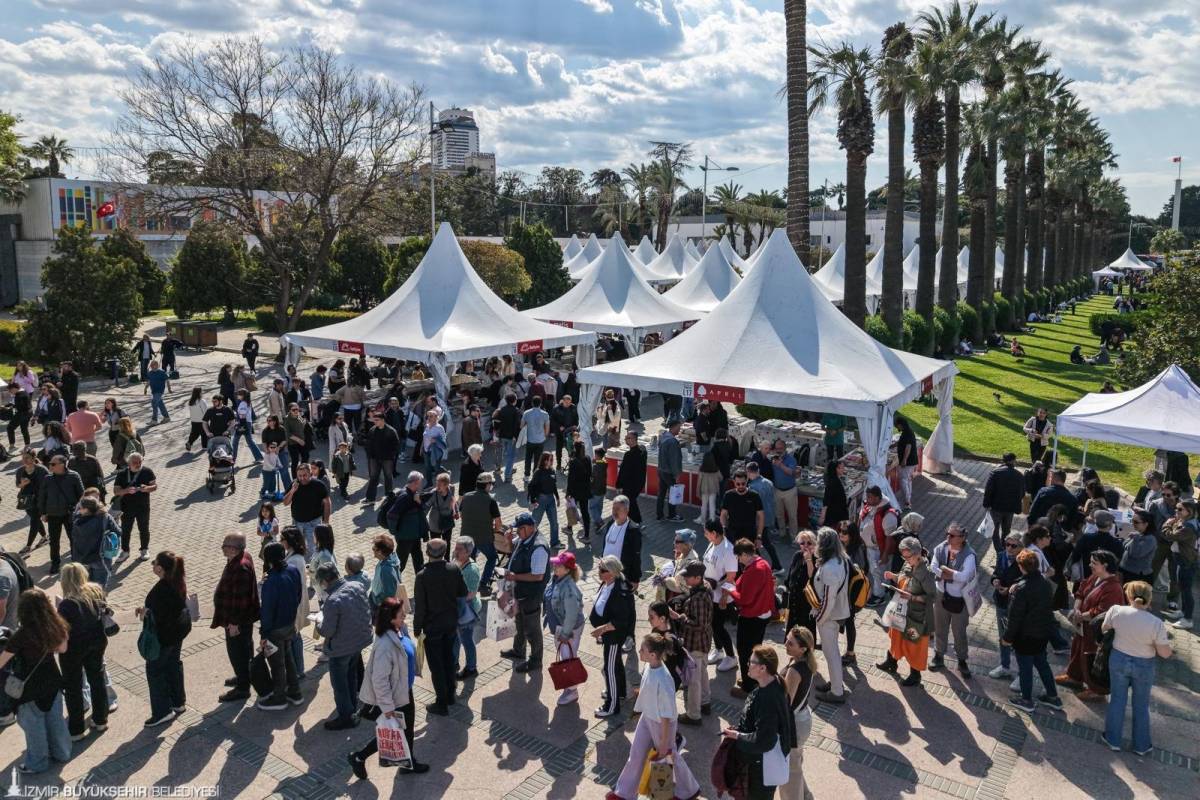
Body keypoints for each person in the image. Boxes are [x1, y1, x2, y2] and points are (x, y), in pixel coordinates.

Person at [607, 633, 703, 800]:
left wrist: (665, 742)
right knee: (636, 754)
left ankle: (685, 792)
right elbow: (647, 690)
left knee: (667, 756)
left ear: (652, 655)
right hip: (648, 718)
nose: (639, 651)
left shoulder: (664, 679)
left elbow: (666, 716)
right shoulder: (651, 666)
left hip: (661, 724)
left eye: (642, 649)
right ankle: (624, 794)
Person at [347, 597, 429, 779]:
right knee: (392, 732)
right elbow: (380, 680)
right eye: (401, 614)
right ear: (391, 619)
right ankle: (359, 757)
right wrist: (388, 708)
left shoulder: (400, 630)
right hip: (394, 697)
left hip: (404, 691)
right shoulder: (385, 645)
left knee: (404, 731)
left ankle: (408, 763)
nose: (405, 616)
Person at [0, 588, 71, 772]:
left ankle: (37, 763)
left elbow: (2, 661)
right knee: (56, 720)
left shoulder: (21, 635)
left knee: (34, 727)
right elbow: (62, 649)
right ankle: (62, 752)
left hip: (28, 687)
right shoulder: (56, 625)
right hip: (53, 680)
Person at [1101, 581, 1172, 754]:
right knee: (1141, 705)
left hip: (1118, 658)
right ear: (1149, 599)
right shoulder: (1156, 623)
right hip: (1144, 664)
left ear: (1129, 595)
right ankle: (1141, 745)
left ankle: (1113, 739)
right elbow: (1165, 653)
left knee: (1117, 699)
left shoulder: (1116, 611)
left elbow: (1104, 629)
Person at [722, 644, 796, 800]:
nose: (747, 665)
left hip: (762, 768)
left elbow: (764, 740)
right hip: (763, 765)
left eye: (751, 662)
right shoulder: (774, 684)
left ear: (763, 668)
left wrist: (738, 736)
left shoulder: (768, 698)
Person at [1002, 548, 1063, 713]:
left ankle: (1026, 699)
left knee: (1025, 668)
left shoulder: (1021, 589)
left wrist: (1007, 637)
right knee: (1042, 664)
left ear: (1022, 567)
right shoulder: (1045, 583)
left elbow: (1015, 617)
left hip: (1025, 636)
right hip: (1042, 633)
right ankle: (1053, 697)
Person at [1058, 549, 1124, 701]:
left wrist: (1081, 616)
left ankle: (1096, 690)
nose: (1090, 565)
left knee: (1091, 657)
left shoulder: (1114, 588)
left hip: (1095, 631)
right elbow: (1081, 590)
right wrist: (1076, 609)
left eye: (1094, 563)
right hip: (1083, 625)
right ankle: (1074, 677)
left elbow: (1102, 612)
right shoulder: (1096, 577)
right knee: (1077, 649)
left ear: (1105, 565)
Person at [314, 563, 373, 729]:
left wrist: (318, 623)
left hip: (341, 648)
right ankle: (352, 707)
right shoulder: (357, 586)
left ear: (325, 580)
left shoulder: (332, 601)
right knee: (351, 675)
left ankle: (346, 717)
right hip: (359, 641)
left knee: (339, 684)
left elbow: (327, 631)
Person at [412, 538, 467, 715]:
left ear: (427, 553)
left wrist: (417, 628)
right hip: (450, 624)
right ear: (445, 552)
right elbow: (463, 592)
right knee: (449, 660)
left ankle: (441, 703)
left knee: (436, 666)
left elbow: (420, 607)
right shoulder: (454, 569)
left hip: (432, 627)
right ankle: (451, 695)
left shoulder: (422, 576)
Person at [56, 564, 110, 742]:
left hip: (73, 649)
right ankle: (101, 719)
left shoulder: (66, 604)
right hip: (97, 642)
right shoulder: (95, 591)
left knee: (73, 687)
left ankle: (76, 729)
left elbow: (62, 631)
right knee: (97, 679)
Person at [138, 552, 191, 726]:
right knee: (173, 665)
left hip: (164, 637)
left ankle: (162, 712)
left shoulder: (161, 589)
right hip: (178, 633)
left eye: (154, 563)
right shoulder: (178, 581)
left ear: (160, 568)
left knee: (155, 671)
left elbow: (158, 615)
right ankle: (178, 702)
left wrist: (145, 612)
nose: (152, 565)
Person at [877, 536, 937, 688]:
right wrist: (893, 577)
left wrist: (914, 597)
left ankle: (915, 675)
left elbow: (932, 597)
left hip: (917, 617)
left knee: (914, 645)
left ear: (918, 554)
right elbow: (903, 579)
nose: (905, 559)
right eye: (903, 556)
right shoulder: (908, 563)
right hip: (901, 611)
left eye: (907, 556)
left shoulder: (927, 573)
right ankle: (891, 662)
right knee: (895, 636)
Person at [211, 533, 260, 704]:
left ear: (233, 548)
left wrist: (233, 623)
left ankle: (242, 687)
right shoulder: (243, 557)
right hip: (242, 619)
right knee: (244, 649)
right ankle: (243, 676)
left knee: (237, 652)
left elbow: (239, 600)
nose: (222, 548)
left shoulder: (240, 566)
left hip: (237, 621)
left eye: (224, 545)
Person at [255, 541, 304, 711]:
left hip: (274, 629)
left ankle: (279, 697)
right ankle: (295, 692)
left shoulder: (271, 581)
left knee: (277, 664)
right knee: (289, 658)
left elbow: (267, 611)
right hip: (289, 623)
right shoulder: (293, 570)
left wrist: (263, 634)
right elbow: (299, 594)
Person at [502, 513, 551, 674]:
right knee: (519, 623)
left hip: (531, 595)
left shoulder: (539, 547)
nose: (517, 532)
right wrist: (509, 541)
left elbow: (538, 575)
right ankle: (519, 650)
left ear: (530, 527)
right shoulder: (524, 538)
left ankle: (535, 660)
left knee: (532, 629)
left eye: (520, 529)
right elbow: (512, 552)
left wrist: (515, 576)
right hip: (519, 592)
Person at [589, 555, 636, 717]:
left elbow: (620, 621)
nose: (599, 572)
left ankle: (611, 704)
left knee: (609, 670)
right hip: (608, 635)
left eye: (603, 570)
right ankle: (620, 692)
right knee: (615, 665)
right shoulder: (608, 583)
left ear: (613, 573)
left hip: (614, 637)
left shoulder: (620, 592)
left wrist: (601, 629)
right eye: (599, 568)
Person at [929, 523, 978, 678]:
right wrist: (951, 575)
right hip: (941, 594)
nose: (947, 537)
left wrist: (947, 573)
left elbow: (965, 576)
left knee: (959, 631)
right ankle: (939, 655)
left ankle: (962, 660)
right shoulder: (941, 547)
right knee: (939, 627)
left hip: (960, 599)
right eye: (947, 533)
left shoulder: (969, 554)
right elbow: (933, 566)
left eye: (952, 535)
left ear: (962, 538)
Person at [730, 538, 776, 698]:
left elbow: (744, 599)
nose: (738, 560)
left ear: (744, 554)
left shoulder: (754, 569)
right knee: (755, 649)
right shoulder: (762, 563)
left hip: (752, 616)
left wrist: (730, 590)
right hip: (763, 614)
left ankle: (748, 687)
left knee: (745, 651)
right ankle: (751, 678)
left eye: (739, 557)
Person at [668, 561, 712, 724]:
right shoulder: (704, 587)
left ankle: (694, 715)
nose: (685, 578)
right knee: (702, 673)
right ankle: (705, 702)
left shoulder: (700, 597)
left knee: (693, 681)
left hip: (695, 643)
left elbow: (699, 625)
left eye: (688, 576)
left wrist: (680, 617)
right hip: (703, 642)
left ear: (698, 577)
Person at [779, 626, 817, 800]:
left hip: (794, 726)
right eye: (787, 639)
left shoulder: (794, 671)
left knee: (787, 772)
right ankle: (806, 796)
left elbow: (786, 704)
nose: (786, 644)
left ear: (802, 649)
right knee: (794, 765)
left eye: (790, 643)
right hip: (802, 720)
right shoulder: (804, 662)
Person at [544, 550, 585, 704]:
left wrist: (565, 633)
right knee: (565, 656)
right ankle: (569, 688)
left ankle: (572, 691)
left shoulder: (569, 589)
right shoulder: (556, 579)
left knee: (568, 659)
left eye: (559, 565)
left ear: (567, 570)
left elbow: (572, 614)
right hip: (559, 627)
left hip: (569, 628)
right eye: (555, 564)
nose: (555, 566)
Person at [702, 519, 739, 673]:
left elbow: (731, 576)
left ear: (714, 533)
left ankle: (731, 657)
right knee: (712, 625)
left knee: (718, 626)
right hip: (710, 593)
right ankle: (718, 650)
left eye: (706, 532)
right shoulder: (713, 544)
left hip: (721, 597)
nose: (704, 535)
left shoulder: (728, 550)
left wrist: (724, 595)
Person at [37, 453, 84, 574]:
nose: (50, 466)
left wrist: (80, 511)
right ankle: (55, 563)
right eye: (50, 464)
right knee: (54, 541)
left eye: (53, 464)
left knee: (74, 539)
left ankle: (76, 563)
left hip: (70, 514)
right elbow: (42, 497)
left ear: (62, 465)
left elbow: (82, 495)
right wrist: (43, 512)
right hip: (53, 514)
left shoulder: (74, 476)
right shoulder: (48, 479)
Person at [987, 533, 1025, 680]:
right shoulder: (1002, 555)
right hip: (1001, 602)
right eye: (1007, 544)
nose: (1009, 548)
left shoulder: (1024, 560)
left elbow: (1024, 579)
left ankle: (1022, 675)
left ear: (1021, 547)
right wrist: (995, 580)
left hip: (1016, 606)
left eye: (1013, 545)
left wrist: (1009, 589)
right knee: (1003, 636)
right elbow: (996, 572)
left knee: (1018, 639)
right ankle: (1005, 666)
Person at [859, 485, 899, 605]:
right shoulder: (873, 506)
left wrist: (885, 555)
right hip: (870, 547)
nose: (867, 499)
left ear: (877, 498)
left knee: (877, 573)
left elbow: (890, 537)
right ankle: (883, 589)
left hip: (878, 550)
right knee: (876, 572)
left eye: (870, 497)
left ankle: (878, 596)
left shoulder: (888, 515)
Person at [113, 452, 157, 561]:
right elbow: (116, 491)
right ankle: (125, 551)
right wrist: (126, 490)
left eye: (140, 462)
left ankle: (144, 549)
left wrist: (146, 488)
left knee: (144, 528)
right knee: (126, 530)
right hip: (127, 507)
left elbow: (154, 486)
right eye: (135, 462)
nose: (138, 464)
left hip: (143, 506)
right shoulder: (122, 474)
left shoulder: (147, 471)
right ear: (129, 463)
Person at [69, 496, 120, 588]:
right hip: (100, 559)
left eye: (80, 507)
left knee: (84, 589)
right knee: (98, 590)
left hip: (81, 560)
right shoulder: (105, 517)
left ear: (86, 509)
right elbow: (118, 532)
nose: (78, 509)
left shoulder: (76, 519)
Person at [597, 495, 643, 590]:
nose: (614, 511)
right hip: (606, 572)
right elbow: (606, 546)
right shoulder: (610, 524)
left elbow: (636, 556)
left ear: (626, 510)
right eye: (613, 508)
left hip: (621, 575)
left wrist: (635, 579)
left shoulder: (633, 530)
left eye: (618, 509)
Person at [838, 522, 869, 664]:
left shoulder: (858, 548)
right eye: (840, 531)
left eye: (844, 532)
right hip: (843, 588)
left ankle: (850, 653)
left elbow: (860, 570)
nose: (841, 534)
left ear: (852, 534)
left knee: (849, 621)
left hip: (853, 591)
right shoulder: (842, 545)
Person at [283, 463, 330, 555]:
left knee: (313, 547)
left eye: (305, 475)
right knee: (297, 545)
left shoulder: (319, 485)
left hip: (313, 522)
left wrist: (326, 522)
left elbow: (327, 503)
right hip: (297, 522)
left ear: (310, 474)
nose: (302, 478)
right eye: (299, 476)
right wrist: (292, 491)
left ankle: (313, 565)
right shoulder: (294, 484)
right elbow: (285, 503)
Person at [983, 453, 1024, 553]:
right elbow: (1022, 493)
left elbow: (988, 490)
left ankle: (999, 550)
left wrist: (986, 504)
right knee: (1006, 531)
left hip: (996, 507)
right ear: (1014, 461)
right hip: (1010, 509)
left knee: (994, 531)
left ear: (1003, 460)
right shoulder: (1019, 475)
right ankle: (1005, 548)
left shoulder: (995, 472)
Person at [784, 530, 819, 646]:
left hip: (806, 602)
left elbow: (812, 577)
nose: (805, 546)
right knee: (791, 633)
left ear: (814, 544)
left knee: (805, 635)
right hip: (794, 599)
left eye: (809, 543)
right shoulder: (797, 555)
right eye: (802, 543)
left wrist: (809, 559)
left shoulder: (816, 558)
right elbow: (790, 576)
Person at [745, 462, 783, 570]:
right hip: (769, 516)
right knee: (763, 542)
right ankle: (770, 565)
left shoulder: (752, 487)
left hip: (758, 520)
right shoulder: (769, 482)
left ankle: (770, 566)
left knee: (760, 542)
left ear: (749, 472)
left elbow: (753, 508)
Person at [15, 449, 48, 554]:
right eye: (23, 458)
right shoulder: (20, 471)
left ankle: (28, 546)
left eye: (27, 458)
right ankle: (44, 537)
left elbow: (48, 484)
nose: (24, 460)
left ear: (34, 458)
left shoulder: (42, 470)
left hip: (40, 500)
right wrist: (23, 484)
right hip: (26, 500)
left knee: (34, 520)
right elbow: (17, 485)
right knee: (36, 520)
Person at [363, 411, 401, 503]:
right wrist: (370, 455)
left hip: (387, 459)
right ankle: (370, 498)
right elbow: (368, 444)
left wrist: (391, 456)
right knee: (373, 477)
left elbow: (396, 446)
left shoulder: (391, 431)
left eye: (377, 420)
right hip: (374, 458)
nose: (374, 422)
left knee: (388, 477)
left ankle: (389, 496)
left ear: (383, 420)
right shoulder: (372, 430)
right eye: (374, 420)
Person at [722, 468, 764, 547]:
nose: (741, 486)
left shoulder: (754, 496)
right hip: (732, 535)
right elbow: (723, 514)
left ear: (747, 481)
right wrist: (724, 528)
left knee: (749, 558)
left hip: (750, 535)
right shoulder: (728, 495)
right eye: (738, 484)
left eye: (743, 483)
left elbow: (761, 517)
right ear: (734, 482)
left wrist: (759, 536)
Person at [615, 430, 647, 524]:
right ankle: (633, 521)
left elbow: (623, 472)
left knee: (630, 503)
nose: (625, 440)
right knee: (631, 502)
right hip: (639, 482)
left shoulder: (629, 455)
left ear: (634, 439)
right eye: (625, 438)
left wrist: (618, 485)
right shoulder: (643, 450)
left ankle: (636, 522)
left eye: (628, 438)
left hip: (630, 485)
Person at [771, 440, 800, 540]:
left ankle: (794, 537)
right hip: (777, 490)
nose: (778, 451)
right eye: (777, 449)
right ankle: (782, 533)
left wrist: (780, 465)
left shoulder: (791, 459)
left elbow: (791, 472)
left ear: (785, 448)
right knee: (779, 515)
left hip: (790, 491)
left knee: (792, 516)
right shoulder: (773, 459)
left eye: (780, 449)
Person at [368, 533, 403, 613]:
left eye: (374, 548)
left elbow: (389, 594)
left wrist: (377, 600)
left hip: (379, 604)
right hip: (375, 596)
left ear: (380, 552)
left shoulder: (386, 570)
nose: (373, 549)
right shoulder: (388, 558)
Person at [1119, 510, 1157, 583]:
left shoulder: (1150, 539)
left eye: (1136, 522)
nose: (1133, 524)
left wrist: (1135, 539)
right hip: (1125, 571)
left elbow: (1135, 554)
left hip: (1136, 576)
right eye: (1132, 521)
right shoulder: (1138, 534)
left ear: (1146, 524)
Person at [491, 394, 521, 483]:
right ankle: (508, 475)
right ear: (514, 401)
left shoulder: (501, 410)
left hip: (502, 436)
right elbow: (517, 425)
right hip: (511, 437)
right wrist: (516, 436)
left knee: (502, 453)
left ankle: (499, 468)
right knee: (511, 456)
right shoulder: (516, 411)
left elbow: (496, 423)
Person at [519, 395, 550, 479]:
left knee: (528, 458)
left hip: (530, 439)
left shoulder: (526, 413)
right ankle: (535, 475)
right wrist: (545, 435)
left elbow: (521, 426)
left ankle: (526, 475)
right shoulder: (545, 414)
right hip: (540, 440)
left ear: (532, 403)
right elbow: (547, 428)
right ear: (540, 404)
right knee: (538, 459)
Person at [894, 416, 918, 510]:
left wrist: (904, 460)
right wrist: (894, 445)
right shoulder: (907, 432)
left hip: (908, 461)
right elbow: (902, 443)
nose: (897, 428)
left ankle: (907, 501)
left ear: (901, 425)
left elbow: (908, 446)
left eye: (897, 426)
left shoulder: (907, 433)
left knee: (903, 480)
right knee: (907, 479)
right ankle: (908, 499)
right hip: (911, 460)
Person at [426, 471, 458, 542]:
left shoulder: (452, 488)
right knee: (435, 543)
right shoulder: (433, 492)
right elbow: (426, 506)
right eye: (437, 483)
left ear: (447, 485)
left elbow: (453, 500)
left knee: (447, 542)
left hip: (448, 521)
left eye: (440, 485)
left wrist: (456, 511)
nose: (437, 486)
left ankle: (446, 553)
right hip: (435, 522)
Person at [549, 395, 578, 470]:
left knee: (571, 448)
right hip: (560, 433)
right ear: (563, 401)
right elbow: (552, 420)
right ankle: (559, 464)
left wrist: (576, 425)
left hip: (571, 432)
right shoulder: (557, 409)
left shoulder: (573, 407)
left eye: (569, 403)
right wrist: (559, 426)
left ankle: (572, 463)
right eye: (566, 403)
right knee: (559, 449)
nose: (568, 404)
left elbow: (576, 418)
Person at [145, 360, 172, 424]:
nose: (151, 366)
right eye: (151, 365)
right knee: (160, 404)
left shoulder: (162, 372)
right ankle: (166, 417)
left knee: (154, 402)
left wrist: (169, 389)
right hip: (154, 391)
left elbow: (167, 380)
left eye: (153, 365)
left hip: (160, 391)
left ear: (157, 365)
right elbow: (149, 382)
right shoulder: (150, 373)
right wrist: (145, 388)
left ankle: (154, 420)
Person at [7, 382, 32, 449]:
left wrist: (12, 407)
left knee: (10, 427)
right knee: (24, 429)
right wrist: (13, 406)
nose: (10, 392)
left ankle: (12, 445)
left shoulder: (18, 395)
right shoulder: (24, 392)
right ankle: (27, 445)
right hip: (28, 413)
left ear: (14, 388)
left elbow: (20, 406)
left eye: (10, 390)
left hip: (22, 414)